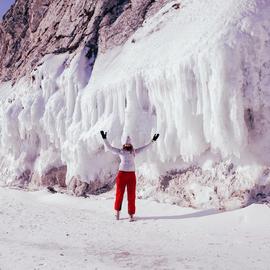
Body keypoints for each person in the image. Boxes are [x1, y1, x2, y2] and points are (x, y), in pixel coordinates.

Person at [100, 130, 159, 222]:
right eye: (126, 144)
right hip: (122, 175)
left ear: (131, 145)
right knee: (119, 194)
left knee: (131, 195)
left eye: (129, 144)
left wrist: (153, 141)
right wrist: (104, 138)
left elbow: (145, 148)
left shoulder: (134, 152)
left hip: (131, 175)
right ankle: (117, 213)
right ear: (124, 145)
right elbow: (109, 147)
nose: (127, 146)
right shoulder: (120, 151)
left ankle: (131, 215)